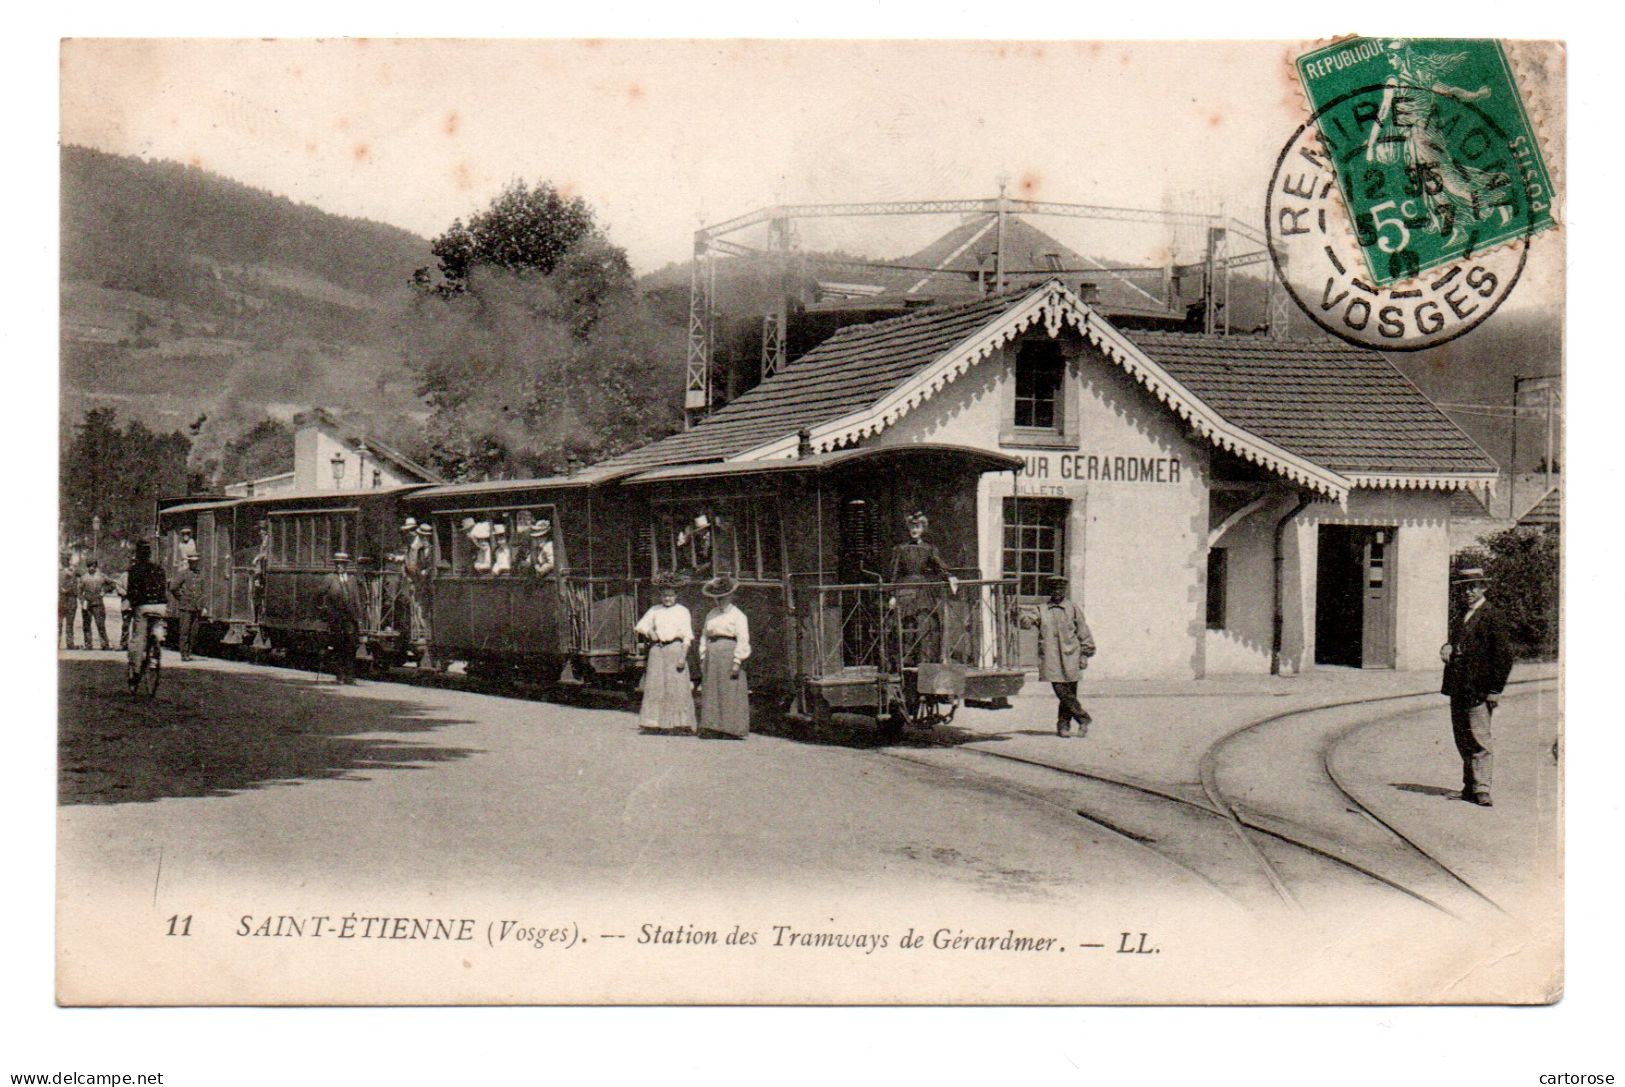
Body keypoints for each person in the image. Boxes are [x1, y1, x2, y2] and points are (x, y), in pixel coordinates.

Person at [1440, 565, 1514, 807]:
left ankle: (1482, 789)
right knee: (1462, 738)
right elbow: (1456, 641)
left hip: (1480, 688)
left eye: (1473, 587)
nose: (1468, 592)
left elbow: (1504, 656)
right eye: (1464, 588)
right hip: (1459, 686)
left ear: (1484, 587)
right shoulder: (1461, 614)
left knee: (1480, 739)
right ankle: (1469, 786)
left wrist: (1495, 689)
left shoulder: (1493, 615)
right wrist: (1447, 646)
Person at [1021, 575, 1097, 737]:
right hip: (1051, 657)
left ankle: (1063, 727)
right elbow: (1028, 622)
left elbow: (1083, 632)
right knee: (1061, 690)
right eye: (1053, 589)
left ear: (1064, 591)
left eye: (1060, 589)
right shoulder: (1040, 609)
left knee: (1069, 692)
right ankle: (1083, 718)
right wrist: (1022, 618)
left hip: (1072, 656)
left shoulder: (1073, 608)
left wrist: (1085, 654)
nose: (1057, 592)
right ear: (1049, 591)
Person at [887, 511, 958, 666]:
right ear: (908, 528)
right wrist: (892, 594)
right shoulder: (900, 549)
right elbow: (894, 572)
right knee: (904, 624)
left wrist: (950, 576)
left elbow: (939, 565)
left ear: (923, 529)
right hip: (904, 589)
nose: (915, 530)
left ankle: (924, 662)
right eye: (912, 527)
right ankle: (904, 663)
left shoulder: (928, 549)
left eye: (918, 527)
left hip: (923, 591)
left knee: (925, 623)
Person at [633, 571, 696, 732]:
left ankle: (679, 723)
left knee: (677, 687)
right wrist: (650, 632)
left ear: (676, 596)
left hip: (675, 649)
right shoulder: (655, 610)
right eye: (665, 595)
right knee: (656, 686)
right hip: (658, 650)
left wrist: (683, 656)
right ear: (661, 595)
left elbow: (687, 636)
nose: (668, 598)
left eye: (671, 595)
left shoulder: (682, 611)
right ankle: (654, 723)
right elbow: (640, 625)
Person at [698, 574, 751, 740]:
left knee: (729, 691)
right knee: (712, 690)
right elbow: (704, 636)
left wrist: (737, 661)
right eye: (716, 598)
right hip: (712, 654)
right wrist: (702, 655)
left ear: (730, 596)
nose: (719, 601)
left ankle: (731, 729)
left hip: (729, 653)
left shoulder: (738, 615)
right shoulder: (711, 614)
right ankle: (712, 727)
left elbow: (743, 639)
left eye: (722, 598)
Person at [317, 552, 368, 685]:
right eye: (338, 564)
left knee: (351, 647)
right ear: (335, 565)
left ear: (346, 565)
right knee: (338, 646)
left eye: (343, 564)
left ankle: (350, 676)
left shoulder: (351, 580)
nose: (340, 566)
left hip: (350, 618)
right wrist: (323, 610)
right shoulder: (330, 578)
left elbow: (357, 598)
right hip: (336, 618)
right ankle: (339, 675)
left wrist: (359, 617)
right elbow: (319, 594)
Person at [124, 541, 170, 684]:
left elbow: (131, 592)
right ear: (149, 554)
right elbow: (163, 589)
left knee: (138, 638)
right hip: (160, 606)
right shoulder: (159, 569)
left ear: (137, 555)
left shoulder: (133, 570)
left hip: (143, 607)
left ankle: (136, 671)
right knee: (156, 629)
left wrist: (131, 605)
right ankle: (155, 652)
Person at [405, 522, 436, 667]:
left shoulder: (432, 549)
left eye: (425, 536)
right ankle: (421, 634)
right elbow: (415, 564)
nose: (423, 538)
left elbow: (433, 564)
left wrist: (427, 571)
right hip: (420, 583)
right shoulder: (421, 549)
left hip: (429, 584)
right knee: (419, 609)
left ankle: (427, 635)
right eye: (422, 536)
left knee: (426, 610)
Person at [169, 552, 206, 660]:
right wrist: (181, 598)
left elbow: (202, 592)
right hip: (186, 607)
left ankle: (189, 652)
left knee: (194, 632)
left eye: (196, 562)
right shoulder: (183, 574)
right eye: (193, 562)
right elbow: (173, 587)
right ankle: (184, 654)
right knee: (185, 631)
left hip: (196, 607)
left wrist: (203, 606)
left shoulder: (199, 575)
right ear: (189, 562)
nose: (195, 563)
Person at [75, 558, 113, 650]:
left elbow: (112, 584)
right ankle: (88, 644)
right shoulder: (84, 578)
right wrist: (82, 601)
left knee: (100, 625)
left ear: (96, 567)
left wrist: (105, 591)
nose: (91, 568)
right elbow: (79, 591)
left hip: (98, 603)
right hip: (87, 604)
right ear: (87, 567)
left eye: (93, 566)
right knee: (86, 625)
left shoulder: (102, 576)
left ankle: (105, 645)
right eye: (89, 566)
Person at [59, 550, 80, 650]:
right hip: (60, 599)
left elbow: (85, 576)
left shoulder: (74, 570)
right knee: (58, 623)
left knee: (70, 623)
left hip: (71, 599)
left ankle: (70, 643)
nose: (65, 559)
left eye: (67, 558)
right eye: (63, 558)